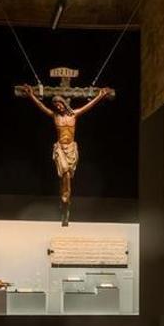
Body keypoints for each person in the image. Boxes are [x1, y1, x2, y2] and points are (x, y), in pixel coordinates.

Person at [21, 85, 112, 225]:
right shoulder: (55, 117)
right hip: (60, 149)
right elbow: (41, 106)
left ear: (64, 103)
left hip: (71, 149)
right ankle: (65, 202)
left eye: (60, 103)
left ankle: (65, 204)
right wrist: (32, 95)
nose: (58, 107)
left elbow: (88, 106)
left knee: (67, 176)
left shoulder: (74, 114)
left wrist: (99, 96)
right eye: (56, 105)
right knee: (65, 173)